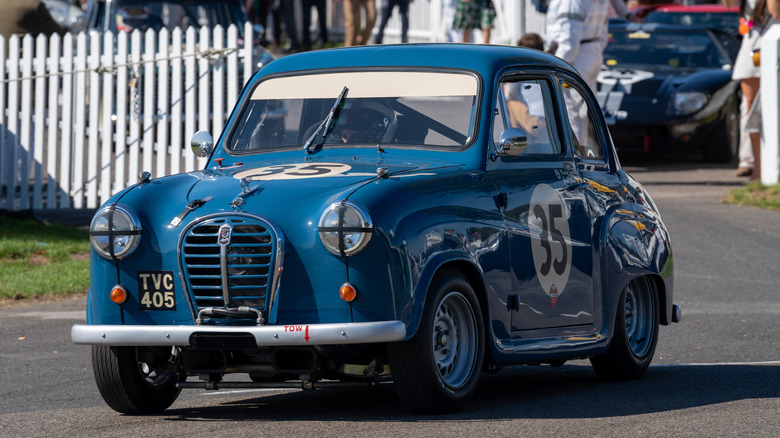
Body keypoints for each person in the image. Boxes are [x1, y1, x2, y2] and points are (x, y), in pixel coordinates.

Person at [726, 0, 768, 181]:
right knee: (749, 107)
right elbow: (729, 5)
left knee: (768, 108)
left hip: (771, 43)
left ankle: (764, 164)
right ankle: (749, 161)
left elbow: (776, 12)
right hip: (751, 47)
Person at [545, 0, 610, 93]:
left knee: (570, 102)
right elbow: (603, 35)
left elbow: (570, 40)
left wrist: (557, 68)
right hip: (593, 52)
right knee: (586, 102)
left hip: (576, 57)